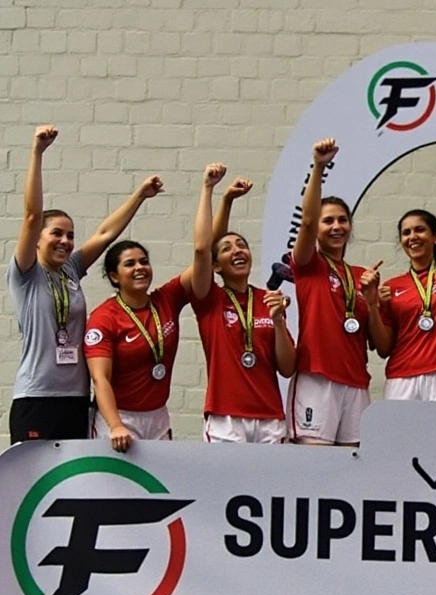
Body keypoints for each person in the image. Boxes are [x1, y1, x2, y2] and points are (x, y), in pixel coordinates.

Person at [8, 126, 161, 444]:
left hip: (75, 398)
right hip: (36, 396)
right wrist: (37, 152)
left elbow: (106, 234)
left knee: (73, 484)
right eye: (56, 234)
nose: (65, 241)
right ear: (37, 239)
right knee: (34, 487)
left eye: (70, 235)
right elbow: (31, 215)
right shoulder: (26, 273)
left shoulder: (72, 270)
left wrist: (140, 196)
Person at [86, 165, 212, 453]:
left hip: (158, 417)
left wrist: (210, 191)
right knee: (112, 493)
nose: (140, 268)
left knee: (156, 495)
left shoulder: (166, 299)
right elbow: (99, 378)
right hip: (117, 418)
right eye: (130, 264)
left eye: (144, 261)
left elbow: (204, 251)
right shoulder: (104, 318)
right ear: (114, 277)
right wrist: (115, 424)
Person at [369, 111, 436, 402]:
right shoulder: (391, 287)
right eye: (406, 233)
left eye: (420, 230)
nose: (412, 237)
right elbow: (383, 347)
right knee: (399, 448)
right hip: (403, 376)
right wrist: (370, 303)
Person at [190, 172, 297, 443]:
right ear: (216, 266)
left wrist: (278, 322)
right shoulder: (208, 298)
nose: (237, 251)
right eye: (227, 248)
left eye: (242, 246)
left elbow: (287, 368)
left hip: (270, 417)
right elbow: (203, 248)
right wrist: (214, 193)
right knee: (226, 487)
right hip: (226, 418)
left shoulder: (269, 299)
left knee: (273, 487)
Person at [288, 139, 374, 446]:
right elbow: (307, 221)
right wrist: (319, 167)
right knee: (314, 467)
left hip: (355, 382)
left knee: (354, 468)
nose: (336, 226)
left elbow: (376, 340)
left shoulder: (361, 276)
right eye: (328, 221)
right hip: (317, 378)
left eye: (342, 220)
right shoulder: (308, 265)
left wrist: (375, 298)